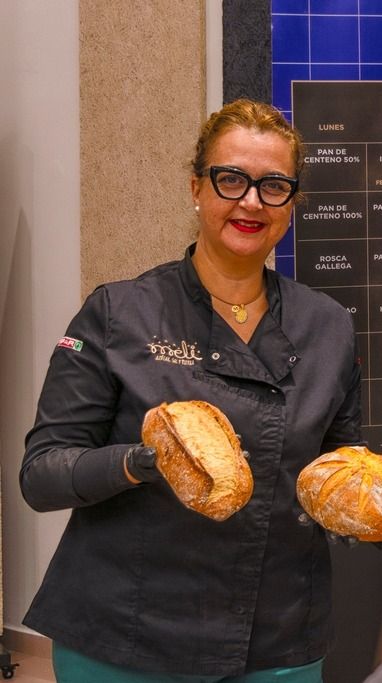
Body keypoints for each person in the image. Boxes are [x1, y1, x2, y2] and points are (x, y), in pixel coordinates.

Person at [20, 99, 362, 681]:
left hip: (278, 634)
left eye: (274, 185)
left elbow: (342, 463)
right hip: (129, 633)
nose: (251, 201)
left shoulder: (327, 324)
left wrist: (356, 510)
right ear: (196, 187)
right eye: (231, 179)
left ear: (292, 204)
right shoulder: (118, 312)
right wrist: (143, 460)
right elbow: (43, 473)